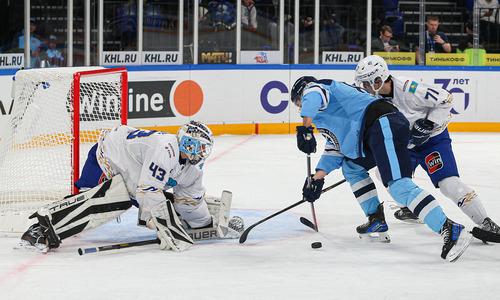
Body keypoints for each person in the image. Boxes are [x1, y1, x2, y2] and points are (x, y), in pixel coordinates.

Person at [291, 76, 472, 262]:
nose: (299, 108)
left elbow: (312, 94)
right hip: (372, 132)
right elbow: (335, 146)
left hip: (383, 123)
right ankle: (376, 219)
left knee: (399, 186)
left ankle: (450, 228)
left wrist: (304, 129)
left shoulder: (320, 88)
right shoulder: (323, 117)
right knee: (352, 167)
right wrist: (318, 177)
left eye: (298, 101)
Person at [19, 121, 244, 253]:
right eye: (200, 147)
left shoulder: (192, 169)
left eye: (206, 148)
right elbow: (147, 190)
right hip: (108, 158)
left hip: (133, 174)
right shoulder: (166, 149)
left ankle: (51, 224)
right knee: (105, 202)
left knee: (154, 201)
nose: (203, 153)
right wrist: (162, 225)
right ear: (188, 143)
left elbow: (189, 200)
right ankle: (40, 230)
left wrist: (206, 225)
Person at [353, 55, 500, 241]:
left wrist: (429, 124)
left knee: (449, 184)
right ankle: (415, 207)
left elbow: (446, 99)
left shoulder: (409, 88)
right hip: (406, 145)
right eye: (363, 83)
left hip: (433, 142)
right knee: (386, 176)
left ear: (380, 78)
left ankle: (486, 222)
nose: (365, 87)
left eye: (368, 83)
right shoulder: (373, 100)